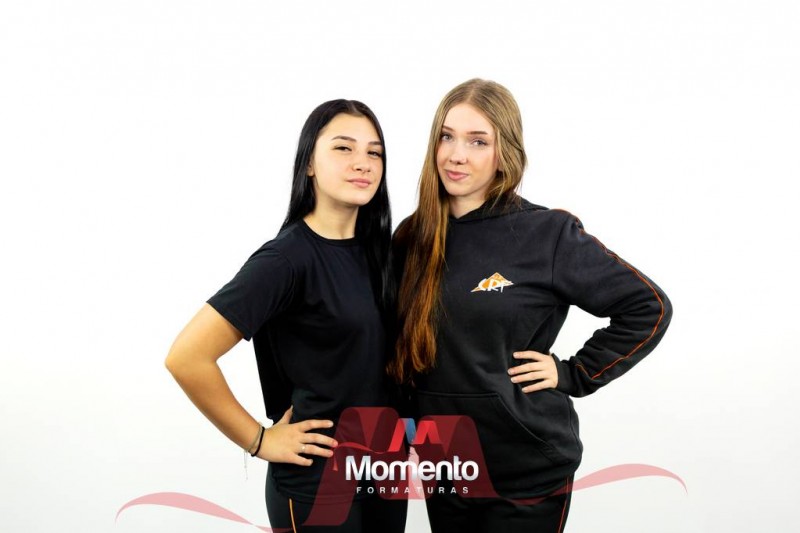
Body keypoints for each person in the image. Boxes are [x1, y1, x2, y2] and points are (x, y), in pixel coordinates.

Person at [389, 79, 673, 533]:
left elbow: (648, 307)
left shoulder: (547, 234)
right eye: (447, 137)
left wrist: (573, 373)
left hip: (527, 474)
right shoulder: (411, 237)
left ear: (505, 153)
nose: (456, 155)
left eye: (478, 141)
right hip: (448, 471)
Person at [165, 99, 407, 532]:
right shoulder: (286, 260)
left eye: (375, 152)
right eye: (343, 148)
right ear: (309, 163)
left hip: (384, 476)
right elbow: (186, 357)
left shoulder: (384, 255)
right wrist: (259, 440)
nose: (363, 162)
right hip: (316, 484)